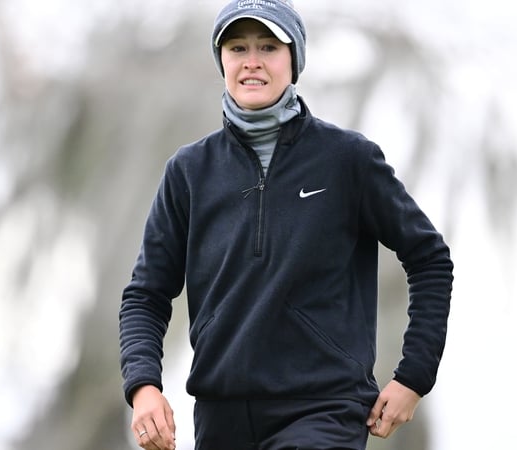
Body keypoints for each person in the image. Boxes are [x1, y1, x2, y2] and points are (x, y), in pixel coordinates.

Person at [119, 0, 454, 449]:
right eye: (238, 48)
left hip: (324, 408)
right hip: (221, 417)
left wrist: (413, 376)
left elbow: (429, 259)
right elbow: (146, 295)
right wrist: (144, 388)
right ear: (222, 60)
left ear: (293, 59)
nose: (252, 61)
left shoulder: (347, 160)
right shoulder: (188, 171)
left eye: (269, 47)